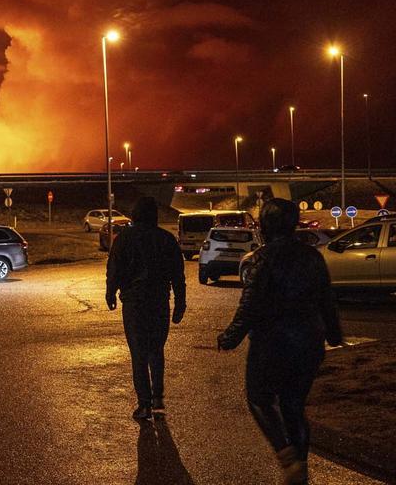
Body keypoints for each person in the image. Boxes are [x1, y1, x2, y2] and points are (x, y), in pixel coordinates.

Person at [217, 198, 343, 484]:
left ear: (265, 225)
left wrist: (229, 337)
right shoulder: (312, 257)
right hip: (309, 343)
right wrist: (334, 334)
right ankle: (301, 464)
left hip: (272, 343)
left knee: (258, 398)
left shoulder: (263, 258)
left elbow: (249, 306)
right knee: (294, 404)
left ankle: (288, 458)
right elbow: (327, 299)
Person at [106, 196, 186, 420]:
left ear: (134, 215)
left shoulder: (124, 239)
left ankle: (145, 404)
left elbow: (114, 268)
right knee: (156, 350)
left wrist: (110, 293)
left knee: (138, 354)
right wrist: (180, 304)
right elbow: (178, 276)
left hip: (134, 304)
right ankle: (158, 397)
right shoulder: (166, 239)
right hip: (159, 303)